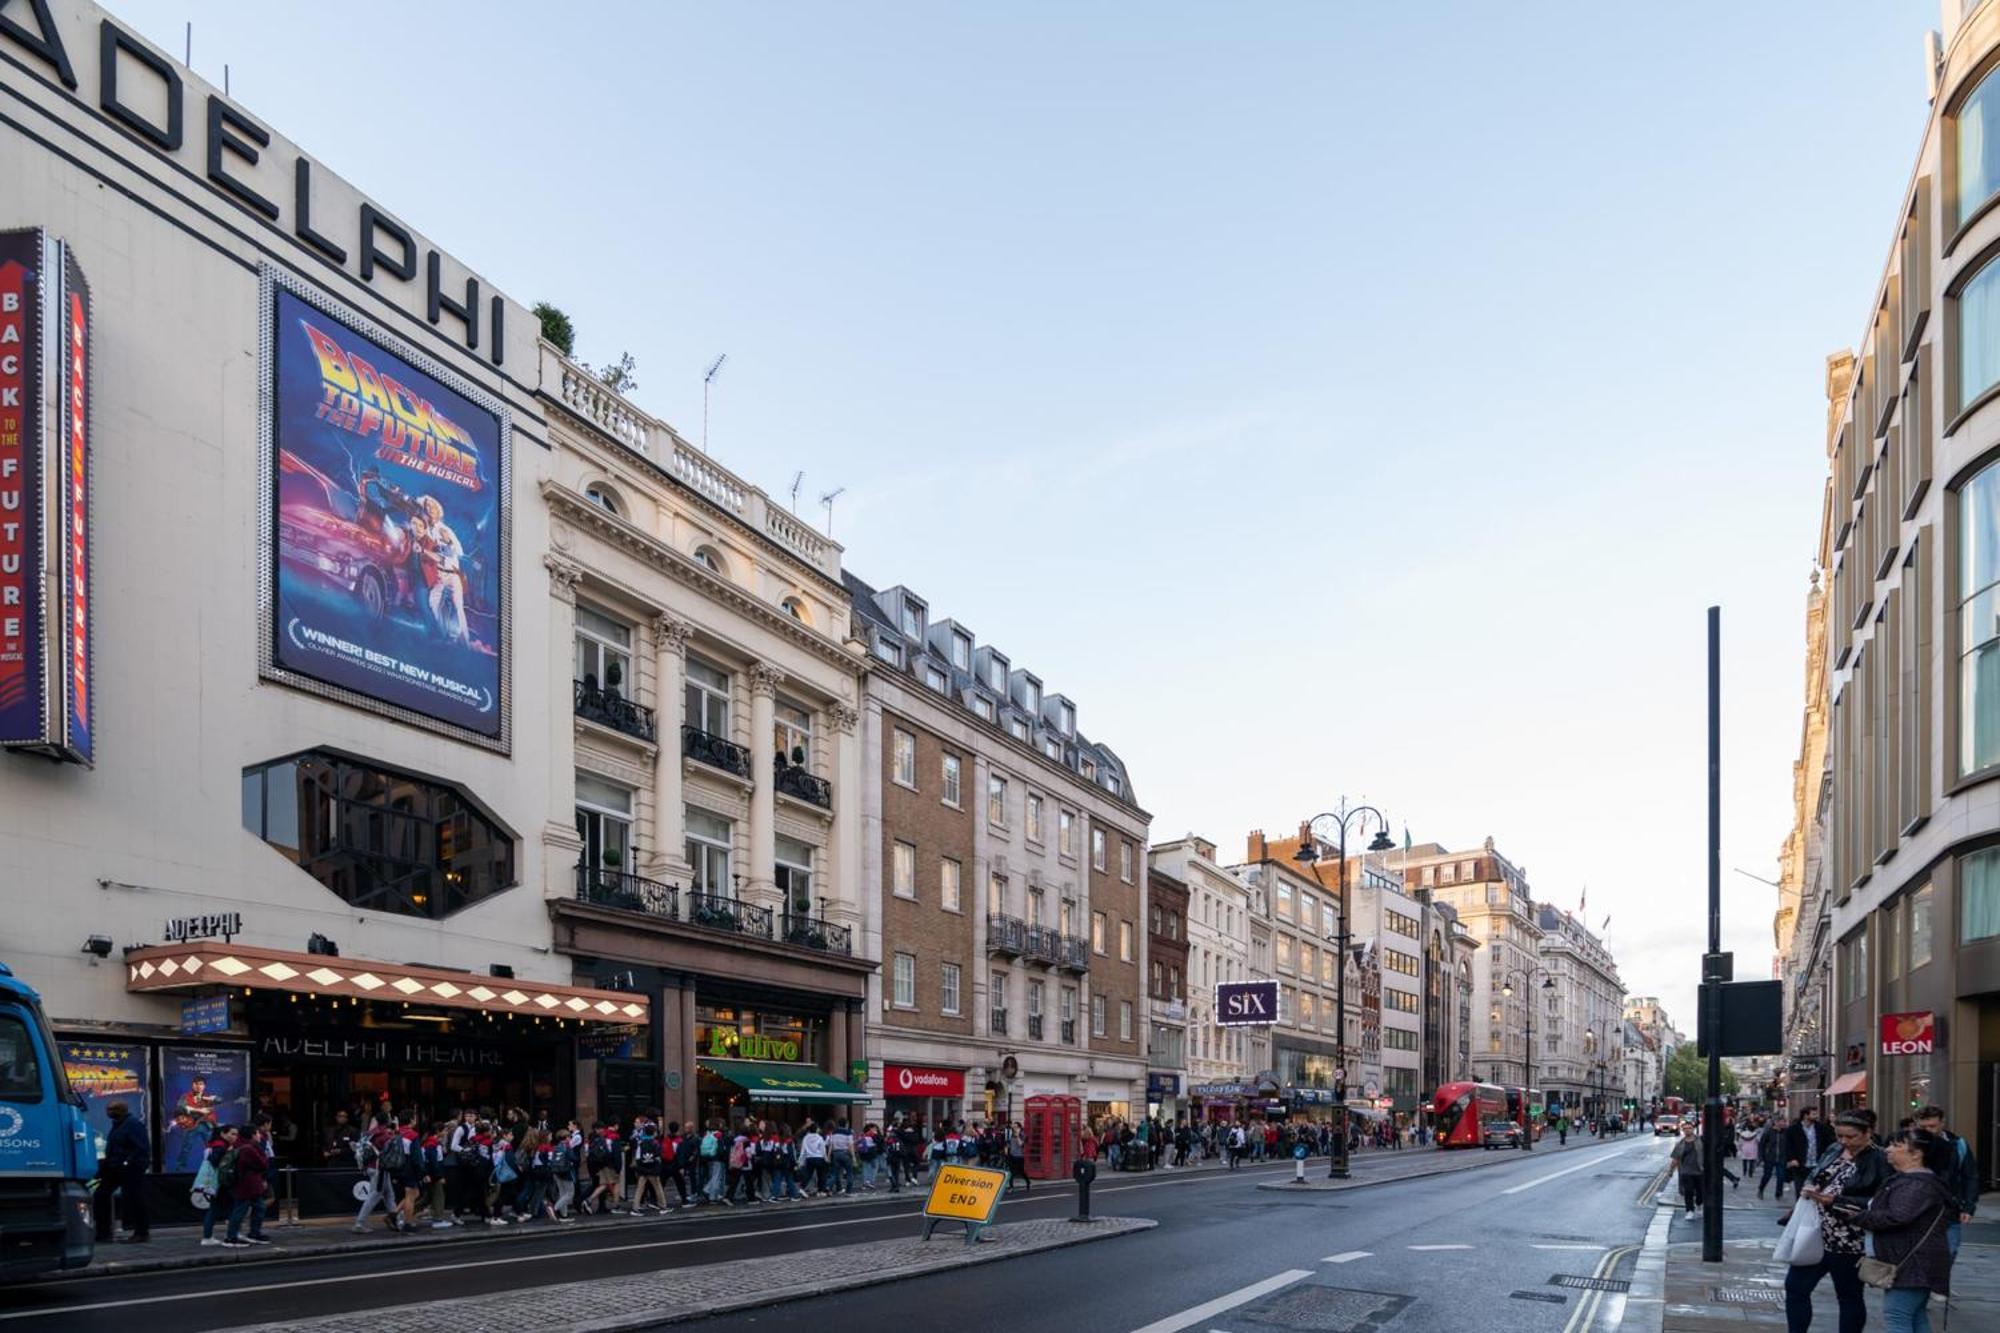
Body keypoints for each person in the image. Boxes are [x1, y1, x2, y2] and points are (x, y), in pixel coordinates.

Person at [1839, 1129, 1958, 1333]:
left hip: (1913, 1263)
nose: (1888, 1149)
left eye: (1896, 1146)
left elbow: (1897, 1216)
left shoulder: (1916, 1184)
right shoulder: (1914, 1180)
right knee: (1915, 1316)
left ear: (1916, 1153)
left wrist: (1858, 1217)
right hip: (1915, 1260)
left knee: (1897, 1316)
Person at [1785, 1111, 1884, 1333]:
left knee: (1849, 1295)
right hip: (1817, 1232)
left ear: (1868, 1133)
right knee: (1795, 1287)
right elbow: (1817, 1175)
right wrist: (1811, 1189)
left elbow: (1880, 1200)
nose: (1844, 1142)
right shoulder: (1834, 1150)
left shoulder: (1879, 1159)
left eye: (1851, 1137)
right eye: (1840, 1136)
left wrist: (1836, 1200)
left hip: (1849, 1238)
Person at [1912, 1105, 1980, 1255]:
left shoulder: (1957, 1144)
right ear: (1916, 1124)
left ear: (1942, 1123)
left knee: (1948, 1254)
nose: (1928, 1130)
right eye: (1923, 1126)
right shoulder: (1908, 1145)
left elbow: (1970, 1176)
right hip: (1915, 1209)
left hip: (1948, 1208)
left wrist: (1968, 1206)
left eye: (1933, 1126)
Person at [93, 1100, 150, 1244]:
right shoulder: (117, 1125)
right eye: (108, 1109)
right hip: (114, 1167)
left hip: (130, 1168)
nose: (108, 1112)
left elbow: (141, 1148)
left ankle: (142, 1233)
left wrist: (127, 1162)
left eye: (112, 1109)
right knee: (101, 1195)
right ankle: (103, 1233)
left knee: (135, 1198)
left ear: (121, 1110)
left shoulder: (133, 1124)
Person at [222, 1125, 271, 1248]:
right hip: (247, 1185)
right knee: (240, 1210)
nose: (260, 1136)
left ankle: (254, 1233)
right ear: (253, 1135)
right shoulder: (248, 1148)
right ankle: (231, 1237)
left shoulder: (240, 1145)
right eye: (258, 1133)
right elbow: (263, 1164)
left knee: (259, 1207)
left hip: (248, 1184)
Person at [1784, 1107, 1830, 1196]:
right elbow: (1788, 1146)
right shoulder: (1793, 1129)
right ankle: (1800, 1208)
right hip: (1800, 1165)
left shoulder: (1821, 1128)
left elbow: (1827, 1143)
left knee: (1816, 1190)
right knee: (1800, 1189)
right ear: (1806, 1115)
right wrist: (1792, 1159)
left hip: (1817, 1164)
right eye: (1813, 1114)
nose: (1816, 1116)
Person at [1672, 1120, 1705, 1216]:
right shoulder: (1680, 1144)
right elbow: (1675, 1158)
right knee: (1688, 1192)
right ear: (1682, 1130)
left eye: (1689, 1128)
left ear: (1693, 1129)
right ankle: (1689, 1210)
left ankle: (1699, 1204)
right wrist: (1670, 1170)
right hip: (1686, 1172)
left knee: (1700, 1192)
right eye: (1685, 1129)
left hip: (1699, 1170)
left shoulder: (1701, 1140)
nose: (1687, 1130)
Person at [1759, 1115, 1790, 1200]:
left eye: (1785, 1122)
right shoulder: (1769, 1132)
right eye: (1783, 1121)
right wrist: (1761, 1157)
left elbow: (1789, 1146)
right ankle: (1761, 1188)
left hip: (1782, 1158)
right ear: (1776, 1122)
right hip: (1770, 1158)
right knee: (1767, 1175)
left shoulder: (1786, 1132)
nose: (1784, 1123)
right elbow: (1762, 1145)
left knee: (1781, 1176)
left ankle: (1778, 1194)